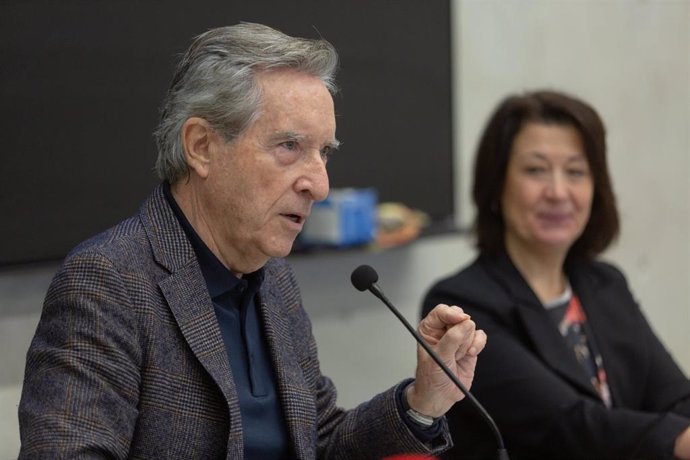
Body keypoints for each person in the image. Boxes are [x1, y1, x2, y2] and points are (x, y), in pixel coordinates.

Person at [18, 23, 487, 459]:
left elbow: (318, 442)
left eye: (323, 153)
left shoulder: (273, 278)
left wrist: (421, 401)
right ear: (201, 146)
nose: (319, 186)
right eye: (289, 147)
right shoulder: (107, 285)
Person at [422, 90, 690, 459]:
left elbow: (677, 398)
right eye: (536, 170)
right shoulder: (463, 304)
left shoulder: (605, 284)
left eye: (576, 172)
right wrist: (676, 441)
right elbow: (566, 427)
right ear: (497, 185)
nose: (558, 192)